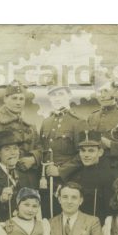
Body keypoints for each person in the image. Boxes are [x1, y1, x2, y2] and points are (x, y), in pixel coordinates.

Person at [40, 82, 87, 216]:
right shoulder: (46, 122)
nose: (57, 98)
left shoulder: (78, 122)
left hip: (70, 182)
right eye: (53, 95)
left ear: (69, 95)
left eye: (61, 94)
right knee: (48, 218)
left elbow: (83, 155)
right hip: (47, 183)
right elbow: (41, 149)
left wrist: (60, 171)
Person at [87, 73, 118, 187]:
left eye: (106, 91)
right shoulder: (92, 117)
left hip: (117, 172)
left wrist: (110, 144)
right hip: (94, 171)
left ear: (114, 91)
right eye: (99, 91)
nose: (102, 95)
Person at [0, 80, 41, 172]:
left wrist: (33, 159)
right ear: (5, 99)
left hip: (30, 175)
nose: (18, 102)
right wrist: (15, 162)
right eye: (14, 98)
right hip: (4, 176)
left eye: (21, 99)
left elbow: (40, 148)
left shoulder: (30, 125)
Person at [0, 130, 37, 221]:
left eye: (15, 148)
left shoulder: (28, 176)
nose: (12, 153)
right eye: (7, 149)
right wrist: (1, 200)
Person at [68, 130, 113, 223]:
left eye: (91, 151)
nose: (86, 155)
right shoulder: (75, 177)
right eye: (83, 151)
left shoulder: (108, 177)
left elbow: (110, 211)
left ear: (100, 152)